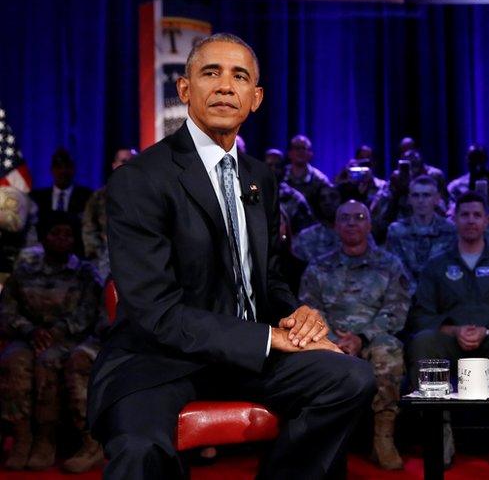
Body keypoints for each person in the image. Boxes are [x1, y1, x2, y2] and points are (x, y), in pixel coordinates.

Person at [86, 33, 375, 479]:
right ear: (185, 90)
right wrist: (265, 339)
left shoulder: (260, 176)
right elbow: (153, 310)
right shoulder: (141, 178)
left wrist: (296, 314)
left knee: (349, 378)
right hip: (159, 359)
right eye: (211, 73)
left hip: (246, 357)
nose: (225, 86)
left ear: (255, 98)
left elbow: (268, 278)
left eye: (239, 76)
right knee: (140, 449)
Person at [407, 191, 489, 472]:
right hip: (451, 340)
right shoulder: (436, 265)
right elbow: (420, 315)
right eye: (464, 214)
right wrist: (454, 331)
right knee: (424, 339)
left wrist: (488, 331)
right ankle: (439, 433)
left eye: (477, 215)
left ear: (487, 220)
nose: (471, 220)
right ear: (454, 219)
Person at [299, 201, 411, 470]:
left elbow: (397, 309)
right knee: (312, 353)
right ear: (336, 226)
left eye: (359, 217)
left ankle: (383, 438)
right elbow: (308, 308)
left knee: (389, 350)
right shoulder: (318, 267)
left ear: (369, 225)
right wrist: (335, 341)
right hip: (327, 338)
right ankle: (322, 444)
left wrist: (361, 337)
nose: (352, 223)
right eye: (345, 218)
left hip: (374, 337)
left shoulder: (390, 264)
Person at [0, 212, 102, 471]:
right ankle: (23, 438)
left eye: (67, 234)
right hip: (28, 336)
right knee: (14, 360)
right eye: (55, 233)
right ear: (43, 237)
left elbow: (88, 313)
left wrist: (55, 332)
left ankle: (47, 439)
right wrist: (31, 331)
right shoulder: (25, 270)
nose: (61, 239)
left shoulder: (85, 273)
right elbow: (7, 310)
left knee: (49, 360)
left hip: (68, 338)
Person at [385, 175, 456, 288]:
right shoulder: (396, 231)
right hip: (405, 295)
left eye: (426, 195)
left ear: (437, 199)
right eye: (415, 195)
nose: (420, 201)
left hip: (440, 293)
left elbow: (450, 269)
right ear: (409, 199)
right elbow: (397, 269)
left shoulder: (450, 230)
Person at [82, 147, 137, 281]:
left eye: (132, 161)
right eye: (123, 161)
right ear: (114, 165)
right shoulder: (99, 197)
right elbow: (89, 226)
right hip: (106, 256)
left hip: (137, 255)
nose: (128, 165)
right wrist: (96, 252)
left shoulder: (147, 196)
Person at [284, 134, 331, 208]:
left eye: (304, 148)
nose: (300, 152)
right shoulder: (280, 176)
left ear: (310, 154)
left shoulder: (320, 180)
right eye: (297, 148)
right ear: (290, 153)